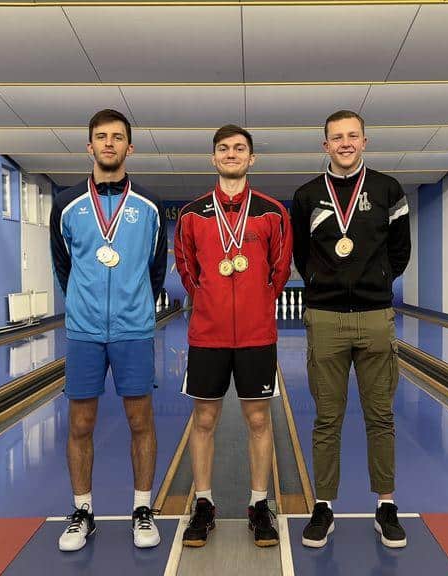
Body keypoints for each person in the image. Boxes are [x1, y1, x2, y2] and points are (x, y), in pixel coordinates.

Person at [290, 110, 411, 549]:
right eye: (337, 137)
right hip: (325, 317)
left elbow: (400, 251)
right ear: (325, 145)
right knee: (327, 417)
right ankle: (323, 506)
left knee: (381, 416)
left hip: (375, 316)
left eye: (352, 136)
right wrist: (322, 282)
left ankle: (386, 506)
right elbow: (301, 253)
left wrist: (376, 281)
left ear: (364, 141)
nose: (345, 143)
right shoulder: (306, 195)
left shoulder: (387, 189)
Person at [49, 108, 167, 551]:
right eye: (101, 137)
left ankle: (142, 509)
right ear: (90, 146)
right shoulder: (67, 204)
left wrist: (136, 304)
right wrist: (84, 303)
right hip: (84, 332)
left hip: (134, 330)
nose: (109, 143)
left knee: (141, 420)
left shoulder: (150, 206)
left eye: (117, 137)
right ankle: (82, 512)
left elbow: (156, 269)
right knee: (80, 423)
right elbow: (63, 265)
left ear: (129, 147)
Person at [174, 124, 293, 548]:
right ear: (213, 158)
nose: (231, 154)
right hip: (207, 336)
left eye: (239, 148)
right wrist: (210, 300)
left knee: (259, 420)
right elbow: (186, 268)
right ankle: (204, 504)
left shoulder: (272, 212)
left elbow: (280, 269)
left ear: (251, 158)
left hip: (257, 336)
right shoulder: (191, 214)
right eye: (223, 148)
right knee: (204, 420)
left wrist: (257, 301)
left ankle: (259, 505)